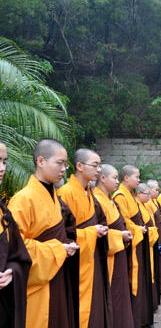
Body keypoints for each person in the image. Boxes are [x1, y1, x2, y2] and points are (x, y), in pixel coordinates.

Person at [8, 139, 80, 328]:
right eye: (59, 163)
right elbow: (16, 248)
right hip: (38, 283)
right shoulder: (23, 200)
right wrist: (58, 249)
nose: (64, 168)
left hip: (58, 273)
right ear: (40, 161)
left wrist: (66, 247)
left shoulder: (54, 198)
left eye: (65, 164)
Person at [58, 149, 111, 328]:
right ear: (79, 166)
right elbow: (63, 234)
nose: (98, 170)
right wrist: (91, 232)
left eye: (100, 166)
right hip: (77, 261)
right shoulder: (66, 192)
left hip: (92, 254)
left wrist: (99, 230)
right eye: (95, 165)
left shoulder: (89, 192)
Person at [113, 165, 153, 328]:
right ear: (126, 178)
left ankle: (139, 319)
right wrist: (138, 229)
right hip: (131, 243)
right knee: (133, 280)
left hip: (137, 242)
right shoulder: (120, 195)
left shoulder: (128, 194)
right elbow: (123, 221)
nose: (138, 179)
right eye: (136, 176)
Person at [94, 164, 134, 328]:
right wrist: (120, 235)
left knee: (120, 294)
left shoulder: (108, 199)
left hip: (118, 252)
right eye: (115, 177)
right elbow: (98, 231)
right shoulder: (97, 199)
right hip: (109, 254)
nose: (118, 181)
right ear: (102, 178)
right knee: (113, 295)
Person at [0, 140, 32, 328]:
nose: (2, 168)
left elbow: (18, 256)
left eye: (4, 162)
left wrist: (12, 272)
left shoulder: (3, 213)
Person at [136, 183, 160, 311]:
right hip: (143, 243)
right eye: (147, 194)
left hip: (150, 240)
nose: (149, 196)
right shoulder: (137, 205)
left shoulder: (145, 205)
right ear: (139, 193)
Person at [146, 180, 161, 290]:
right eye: (156, 190)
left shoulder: (154, 201)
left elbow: (160, 211)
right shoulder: (148, 203)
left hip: (159, 231)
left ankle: (160, 285)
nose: (158, 192)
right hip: (154, 232)